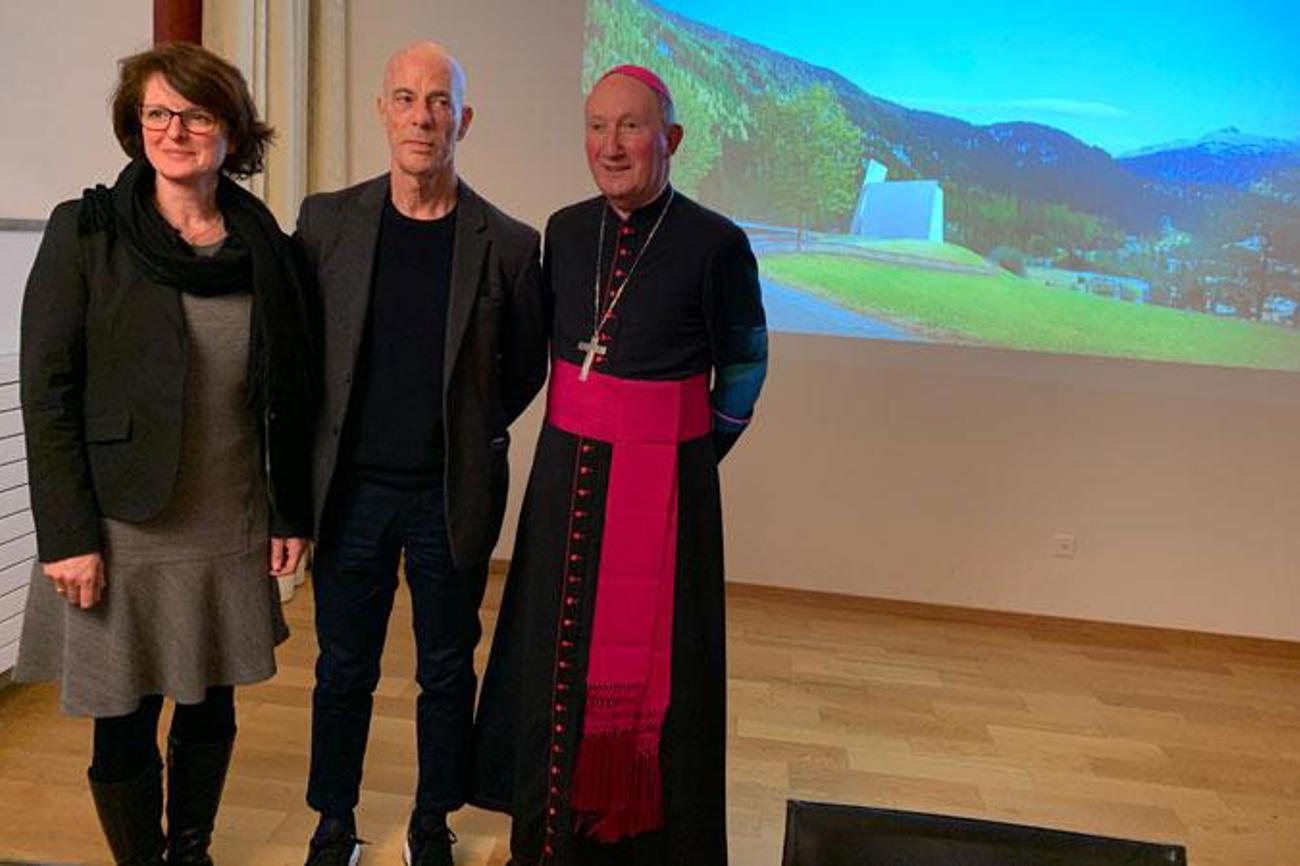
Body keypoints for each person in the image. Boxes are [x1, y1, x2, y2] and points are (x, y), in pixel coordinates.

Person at [14, 41, 317, 866]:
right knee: (125, 716)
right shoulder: (89, 231)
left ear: (231, 132)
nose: (174, 130)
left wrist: (290, 509)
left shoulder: (266, 246)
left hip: (229, 518)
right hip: (120, 524)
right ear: (134, 124)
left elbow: (292, 394)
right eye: (157, 113)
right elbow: (47, 392)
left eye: (197, 114)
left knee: (211, 703)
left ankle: (192, 850)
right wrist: (66, 534)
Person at [472, 65, 769, 865]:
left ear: (668, 139)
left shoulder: (715, 242)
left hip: (663, 493)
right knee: (553, 658)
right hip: (566, 478)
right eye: (597, 127)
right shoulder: (566, 231)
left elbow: (744, 366)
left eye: (631, 127)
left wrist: (691, 457)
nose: (611, 145)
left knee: (660, 679)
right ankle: (547, 839)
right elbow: (537, 352)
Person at [294, 41, 547, 866]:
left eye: (438, 101)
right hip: (351, 492)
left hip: (450, 491)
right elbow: (302, 359)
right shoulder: (326, 222)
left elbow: (522, 368)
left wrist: (466, 429)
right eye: (405, 99)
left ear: (463, 120)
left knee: (446, 671)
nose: (421, 117)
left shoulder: (509, 242)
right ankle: (334, 821)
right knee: (342, 669)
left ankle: (431, 822)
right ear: (382, 112)